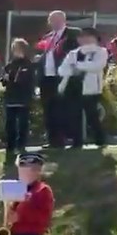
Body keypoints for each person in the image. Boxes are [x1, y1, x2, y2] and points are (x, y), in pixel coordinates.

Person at [57, 27, 109, 148]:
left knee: (92, 115)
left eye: (88, 36)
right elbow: (62, 69)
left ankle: (100, 140)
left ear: (95, 38)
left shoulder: (101, 51)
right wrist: (73, 68)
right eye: (82, 37)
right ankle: (77, 142)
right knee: (73, 116)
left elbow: (96, 66)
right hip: (72, 86)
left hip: (90, 89)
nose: (84, 39)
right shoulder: (73, 53)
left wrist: (76, 66)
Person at [37, 10, 81, 147]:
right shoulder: (48, 37)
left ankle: (75, 140)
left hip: (64, 77)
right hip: (47, 78)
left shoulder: (74, 33)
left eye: (56, 20)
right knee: (50, 110)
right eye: (51, 20)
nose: (53, 23)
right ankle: (55, 141)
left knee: (69, 110)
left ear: (63, 20)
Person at [1, 38, 37, 159]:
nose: (16, 51)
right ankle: (10, 146)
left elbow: (26, 81)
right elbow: (5, 81)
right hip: (11, 97)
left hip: (23, 98)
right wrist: (5, 79)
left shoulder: (29, 65)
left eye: (18, 49)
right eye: (14, 49)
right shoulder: (10, 65)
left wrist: (12, 79)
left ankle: (21, 145)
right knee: (10, 124)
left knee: (23, 123)